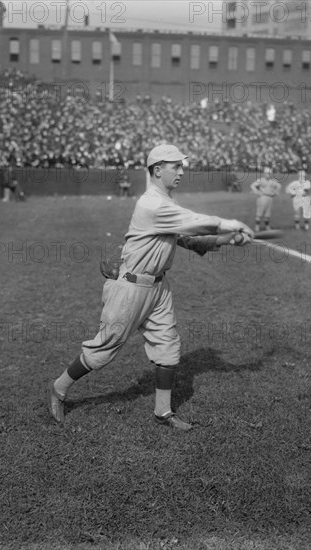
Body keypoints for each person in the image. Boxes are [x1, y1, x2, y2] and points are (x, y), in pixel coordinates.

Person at [50, 144, 254, 431]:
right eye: (176, 166)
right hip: (130, 289)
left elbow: (187, 238)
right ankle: (59, 389)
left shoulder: (166, 204)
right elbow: (194, 223)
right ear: (158, 170)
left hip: (158, 288)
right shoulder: (153, 204)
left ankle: (163, 411)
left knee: (168, 347)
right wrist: (228, 224)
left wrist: (228, 239)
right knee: (103, 350)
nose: (182, 171)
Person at [250, 166, 282, 232]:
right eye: (267, 173)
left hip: (270, 197)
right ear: (264, 174)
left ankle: (267, 227)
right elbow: (252, 186)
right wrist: (257, 192)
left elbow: (279, 186)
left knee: (268, 213)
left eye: (270, 173)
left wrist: (275, 193)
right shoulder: (260, 180)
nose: (268, 175)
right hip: (262, 197)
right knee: (260, 212)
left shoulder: (273, 181)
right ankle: (257, 227)